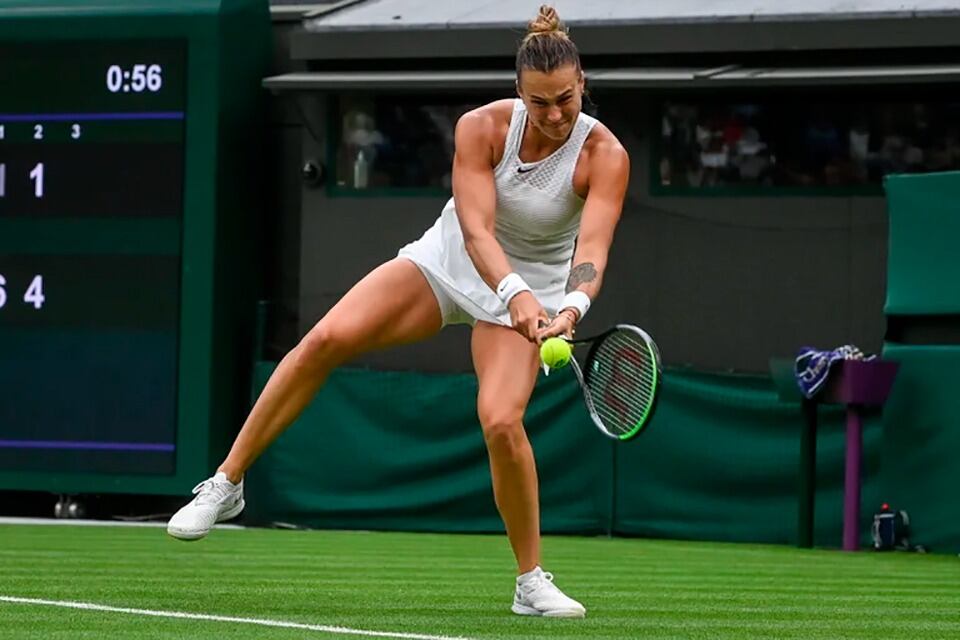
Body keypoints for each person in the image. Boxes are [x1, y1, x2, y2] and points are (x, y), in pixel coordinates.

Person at [167, 4, 629, 618]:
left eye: (565, 100)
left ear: (582, 86)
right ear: (518, 93)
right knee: (325, 338)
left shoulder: (605, 155)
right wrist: (511, 292)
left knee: (499, 420)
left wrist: (569, 306)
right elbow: (476, 231)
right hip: (450, 265)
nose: (553, 115)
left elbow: (591, 249)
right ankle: (226, 484)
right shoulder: (481, 129)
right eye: (539, 102)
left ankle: (530, 582)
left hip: (538, 293)